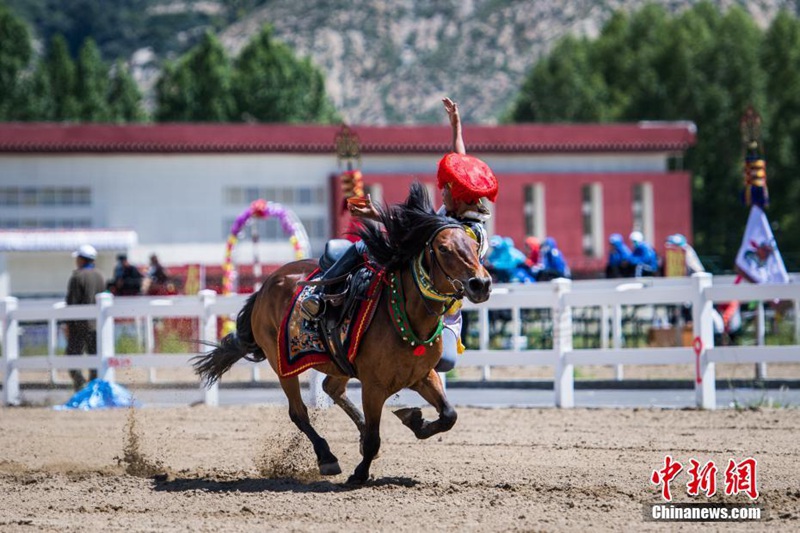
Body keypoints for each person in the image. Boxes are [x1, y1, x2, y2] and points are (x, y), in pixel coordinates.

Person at [302, 97, 498, 373]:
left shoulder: (462, 233)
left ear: (460, 196)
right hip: (434, 296)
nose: (441, 191)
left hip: (437, 304)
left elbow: (414, 229)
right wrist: (456, 126)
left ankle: (319, 292)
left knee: (362, 249)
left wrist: (375, 215)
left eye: (446, 189)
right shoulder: (463, 214)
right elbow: (461, 164)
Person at [65, 244, 106, 391]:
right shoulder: (101, 276)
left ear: (82, 259)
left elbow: (72, 304)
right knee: (95, 358)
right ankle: (94, 388)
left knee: (72, 357)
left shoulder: (77, 277)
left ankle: (81, 385)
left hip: (79, 326)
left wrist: (68, 325)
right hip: (97, 325)